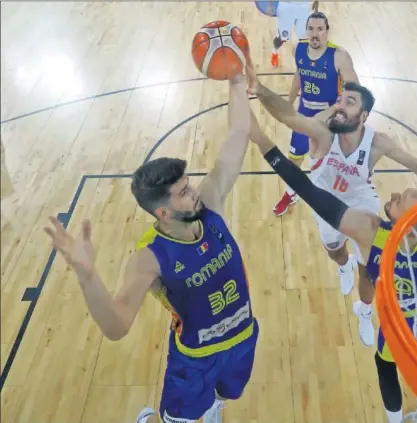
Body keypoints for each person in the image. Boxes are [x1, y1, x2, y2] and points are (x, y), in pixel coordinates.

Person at [248, 100, 417, 422]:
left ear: (408, 222)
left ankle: (396, 419)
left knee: (385, 364)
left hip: (407, 316)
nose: (391, 196)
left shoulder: (371, 232)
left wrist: (264, 142)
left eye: (399, 200)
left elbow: (306, 189)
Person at [44, 71, 257, 423]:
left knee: (227, 394)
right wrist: (87, 276)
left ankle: (214, 405)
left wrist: (235, 82)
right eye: (184, 192)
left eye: (189, 185)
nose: (194, 193)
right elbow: (116, 327)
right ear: (163, 212)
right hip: (194, 358)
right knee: (180, 418)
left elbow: (238, 135)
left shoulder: (210, 204)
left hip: (243, 337)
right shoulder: (149, 259)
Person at [252, 77, 417, 347]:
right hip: (325, 201)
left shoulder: (378, 143)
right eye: (339, 100)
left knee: (370, 271)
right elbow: (288, 116)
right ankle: (343, 266)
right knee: (335, 252)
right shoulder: (322, 133)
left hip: (361, 201)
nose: (339, 106)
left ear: (363, 115)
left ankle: (363, 310)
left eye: (348, 102)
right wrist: (259, 89)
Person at [273, 11, 360, 217]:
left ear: (327, 32)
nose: (315, 34)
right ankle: (290, 192)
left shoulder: (339, 55)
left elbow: (355, 92)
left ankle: (342, 201)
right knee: (294, 159)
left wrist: (328, 113)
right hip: (305, 113)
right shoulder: (299, 49)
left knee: (335, 163)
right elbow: (299, 75)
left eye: (320, 29)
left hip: (332, 118)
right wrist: (289, 102)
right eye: (311, 29)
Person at [270, 1, 319, 68]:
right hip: (286, 5)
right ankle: (274, 53)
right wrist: (270, 4)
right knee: (282, 38)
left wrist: (316, 5)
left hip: (304, 5)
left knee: (304, 36)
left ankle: (305, 58)